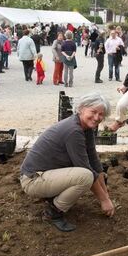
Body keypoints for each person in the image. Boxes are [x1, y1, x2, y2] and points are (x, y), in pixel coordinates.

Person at [19, 93, 115, 232]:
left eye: (101, 114)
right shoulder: (74, 131)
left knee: (87, 173)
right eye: (93, 112)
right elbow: (86, 169)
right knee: (85, 176)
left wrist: (106, 196)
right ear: (81, 108)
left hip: (44, 174)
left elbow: (94, 161)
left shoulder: (85, 127)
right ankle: (53, 212)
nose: (97, 118)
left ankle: (52, 198)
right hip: (32, 180)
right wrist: (104, 200)